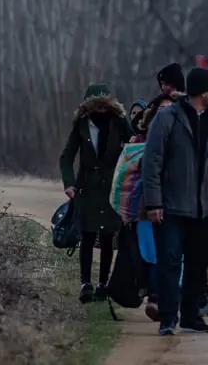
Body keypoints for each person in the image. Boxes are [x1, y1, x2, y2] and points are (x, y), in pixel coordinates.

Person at [142, 66, 208, 336]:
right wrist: (153, 203)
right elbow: (152, 162)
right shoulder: (167, 118)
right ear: (204, 93)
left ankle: (190, 316)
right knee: (170, 262)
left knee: (197, 265)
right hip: (170, 207)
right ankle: (167, 319)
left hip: (202, 208)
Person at [59, 83, 132, 303]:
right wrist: (69, 183)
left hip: (112, 186)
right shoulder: (81, 124)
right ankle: (85, 283)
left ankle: (102, 284)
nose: (100, 110)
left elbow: (133, 147)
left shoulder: (119, 123)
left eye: (104, 106)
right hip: (87, 188)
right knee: (88, 236)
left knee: (109, 236)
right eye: (96, 106)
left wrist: (129, 180)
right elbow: (66, 156)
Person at [130, 92, 179, 321]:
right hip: (146, 206)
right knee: (150, 254)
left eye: (170, 108)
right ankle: (155, 297)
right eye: (161, 108)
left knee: (174, 253)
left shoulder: (185, 139)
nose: (165, 112)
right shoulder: (140, 140)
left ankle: (171, 299)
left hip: (178, 205)